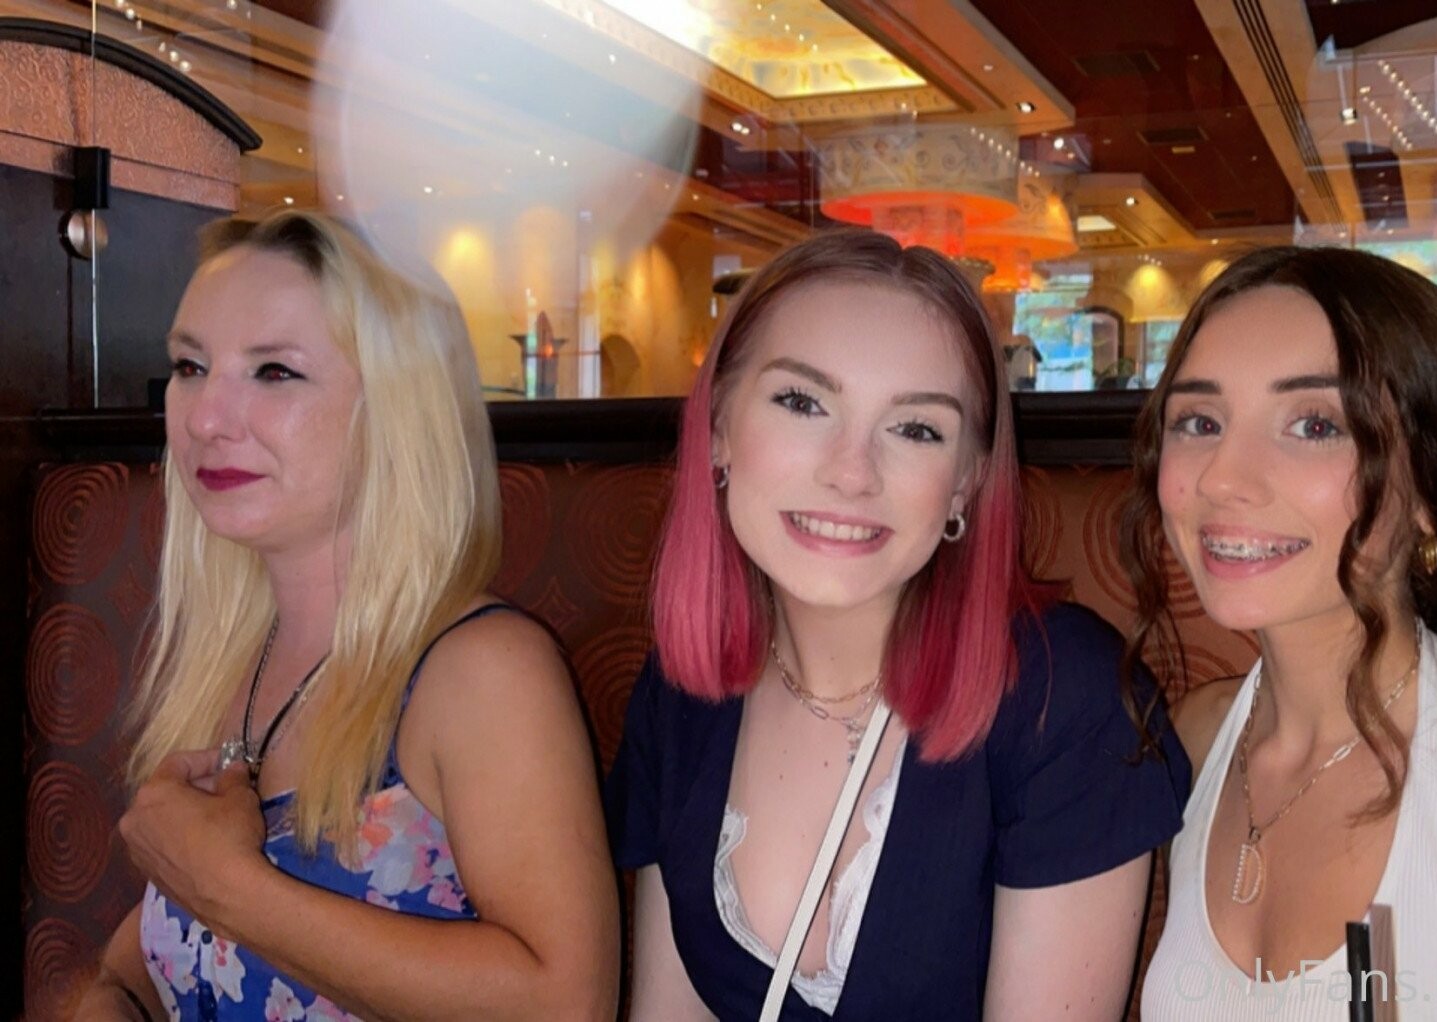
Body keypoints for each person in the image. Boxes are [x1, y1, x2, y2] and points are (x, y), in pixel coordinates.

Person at [604, 229, 1189, 1020]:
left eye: (917, 429)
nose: (852, 472)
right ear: (718, 430)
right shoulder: (681, 693)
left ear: (965, 483)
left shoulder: (1062, 699)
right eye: (802, 402)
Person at [76, 211, 619, 1020]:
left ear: (398, 405)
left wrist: (226, 886)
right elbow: (140, 972)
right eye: (191, 366)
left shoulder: (482, 671)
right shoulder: (233, 660)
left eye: (274, 372)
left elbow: (566, 1004)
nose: (204, 418)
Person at [1130, 246, 1437, 1020]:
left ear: (1430, 485)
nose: (1222, 477)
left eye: (1314, 425)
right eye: (1200, 421)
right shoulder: (1192, 742)